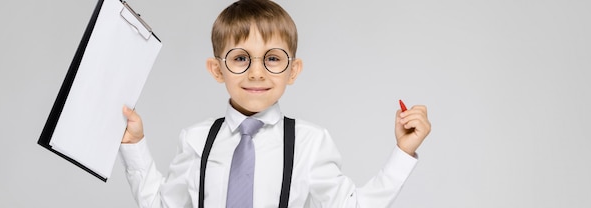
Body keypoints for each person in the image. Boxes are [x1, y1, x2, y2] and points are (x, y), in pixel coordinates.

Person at [119, 0, 431, 207]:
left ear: (292, 71)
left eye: (272, 59)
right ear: (217, 69)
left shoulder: (311, 142)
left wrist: (402, 153)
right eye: (240, 58)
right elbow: (162, 205)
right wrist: (134, 145)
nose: (257, 72)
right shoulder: (196, 139)